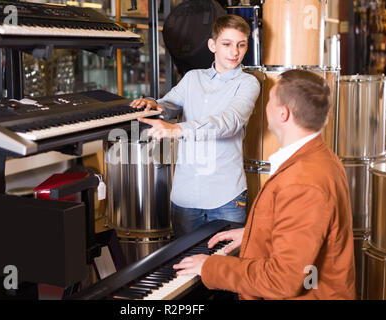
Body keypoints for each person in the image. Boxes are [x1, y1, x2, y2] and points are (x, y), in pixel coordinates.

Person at [173, 69, 357, 300]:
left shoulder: (303, 182)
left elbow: (282, 280)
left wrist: (209, 266)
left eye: (269, 99)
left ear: (283, 114)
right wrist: (254, 234)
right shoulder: (318, 158)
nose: (265, 106)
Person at [130, 15, 261, 237]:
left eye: (241, 45)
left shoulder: (248, 83)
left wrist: (178, 129)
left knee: (225, 268)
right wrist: (153, 104)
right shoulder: (192, 78)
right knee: (184, 264)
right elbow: (169, 104)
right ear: (212, 45)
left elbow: (230, 122)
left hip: (227, 196)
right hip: (185, 197)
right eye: (226, 44)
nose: (235, 52)